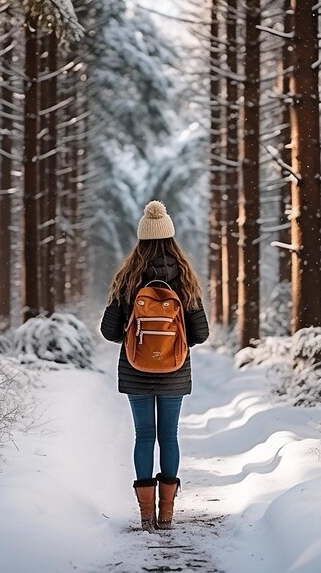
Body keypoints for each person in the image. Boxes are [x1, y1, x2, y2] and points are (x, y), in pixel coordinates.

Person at [100, 200, 209, 531]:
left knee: (144, 435)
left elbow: (108, 330)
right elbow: (201, 333)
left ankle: (146, 516)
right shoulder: (184, 280)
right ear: (171, 238)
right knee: (169, 435)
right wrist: (172, 341)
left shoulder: (128, 279)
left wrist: (138, 335)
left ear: (140, 240)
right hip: (175, 369)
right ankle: (167, 515)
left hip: (136, 368)